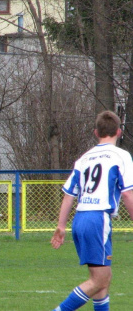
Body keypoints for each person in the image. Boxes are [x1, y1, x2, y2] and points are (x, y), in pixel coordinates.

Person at [51, 110, 133, 311]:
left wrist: (61, 226)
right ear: (119, 132)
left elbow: (69, 194)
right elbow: (128, 194)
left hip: (80, 219)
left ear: (96, 132)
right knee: (100, 279)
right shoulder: (121, 156)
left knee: (103, 277)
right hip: (98, 219)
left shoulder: (84, 159)